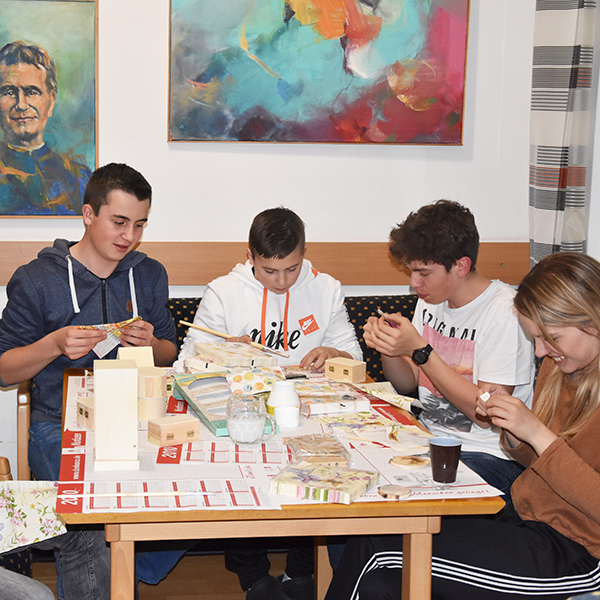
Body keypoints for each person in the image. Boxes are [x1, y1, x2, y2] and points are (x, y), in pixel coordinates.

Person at [326, 251, 600, 599]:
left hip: (579, 552)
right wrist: (514, 432)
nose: (541, 352)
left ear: (592, 321)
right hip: (529, 521)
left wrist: (536, 433)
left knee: (378, 547)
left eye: (553, 338)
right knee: (380, 575)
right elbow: (542, 465)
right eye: (537, 339)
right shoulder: (561, 369)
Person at [0, 162, 179, 597]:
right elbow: (4, 370)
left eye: (140, 225)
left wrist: (151, 343)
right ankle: (106, 566)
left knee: (190, 496)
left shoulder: (148, 274)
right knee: (88, 518)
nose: (129, 236)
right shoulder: (36, 280)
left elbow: (170, 354)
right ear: (88, 214)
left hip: (139, 419)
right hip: (57, 424)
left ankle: (121, 567)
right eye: (119, 222)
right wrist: (54, 344)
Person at [175, 207, 362, 600]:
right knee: (235, 466)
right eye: (269, 271)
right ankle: (254, 578)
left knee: (323, 466)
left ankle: (301, 572)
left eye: (292, 269)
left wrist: (332, 352)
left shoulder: (326, 288)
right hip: (242, 413)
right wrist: (222, 353)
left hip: (307, 414)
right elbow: (185, 367)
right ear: (250, 256)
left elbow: (354, 358)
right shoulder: (223, 292)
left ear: (304, 254)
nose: (281, 281)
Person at [363, 200, 534, 498]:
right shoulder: (431, 301)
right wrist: (388, 347)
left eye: (424, 273)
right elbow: (407, 383)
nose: (414, 283)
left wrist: (421, 350)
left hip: (489, 455)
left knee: (399, 498)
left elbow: (486, 414)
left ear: (461, 266)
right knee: (359, 475)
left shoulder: (506, 312)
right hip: (428, 441)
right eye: (411, 271)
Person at [0, 41, 91, 215]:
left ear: (51, 100)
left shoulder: (80, 178)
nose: (21, 105)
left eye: (31, 92)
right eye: (9, 92)